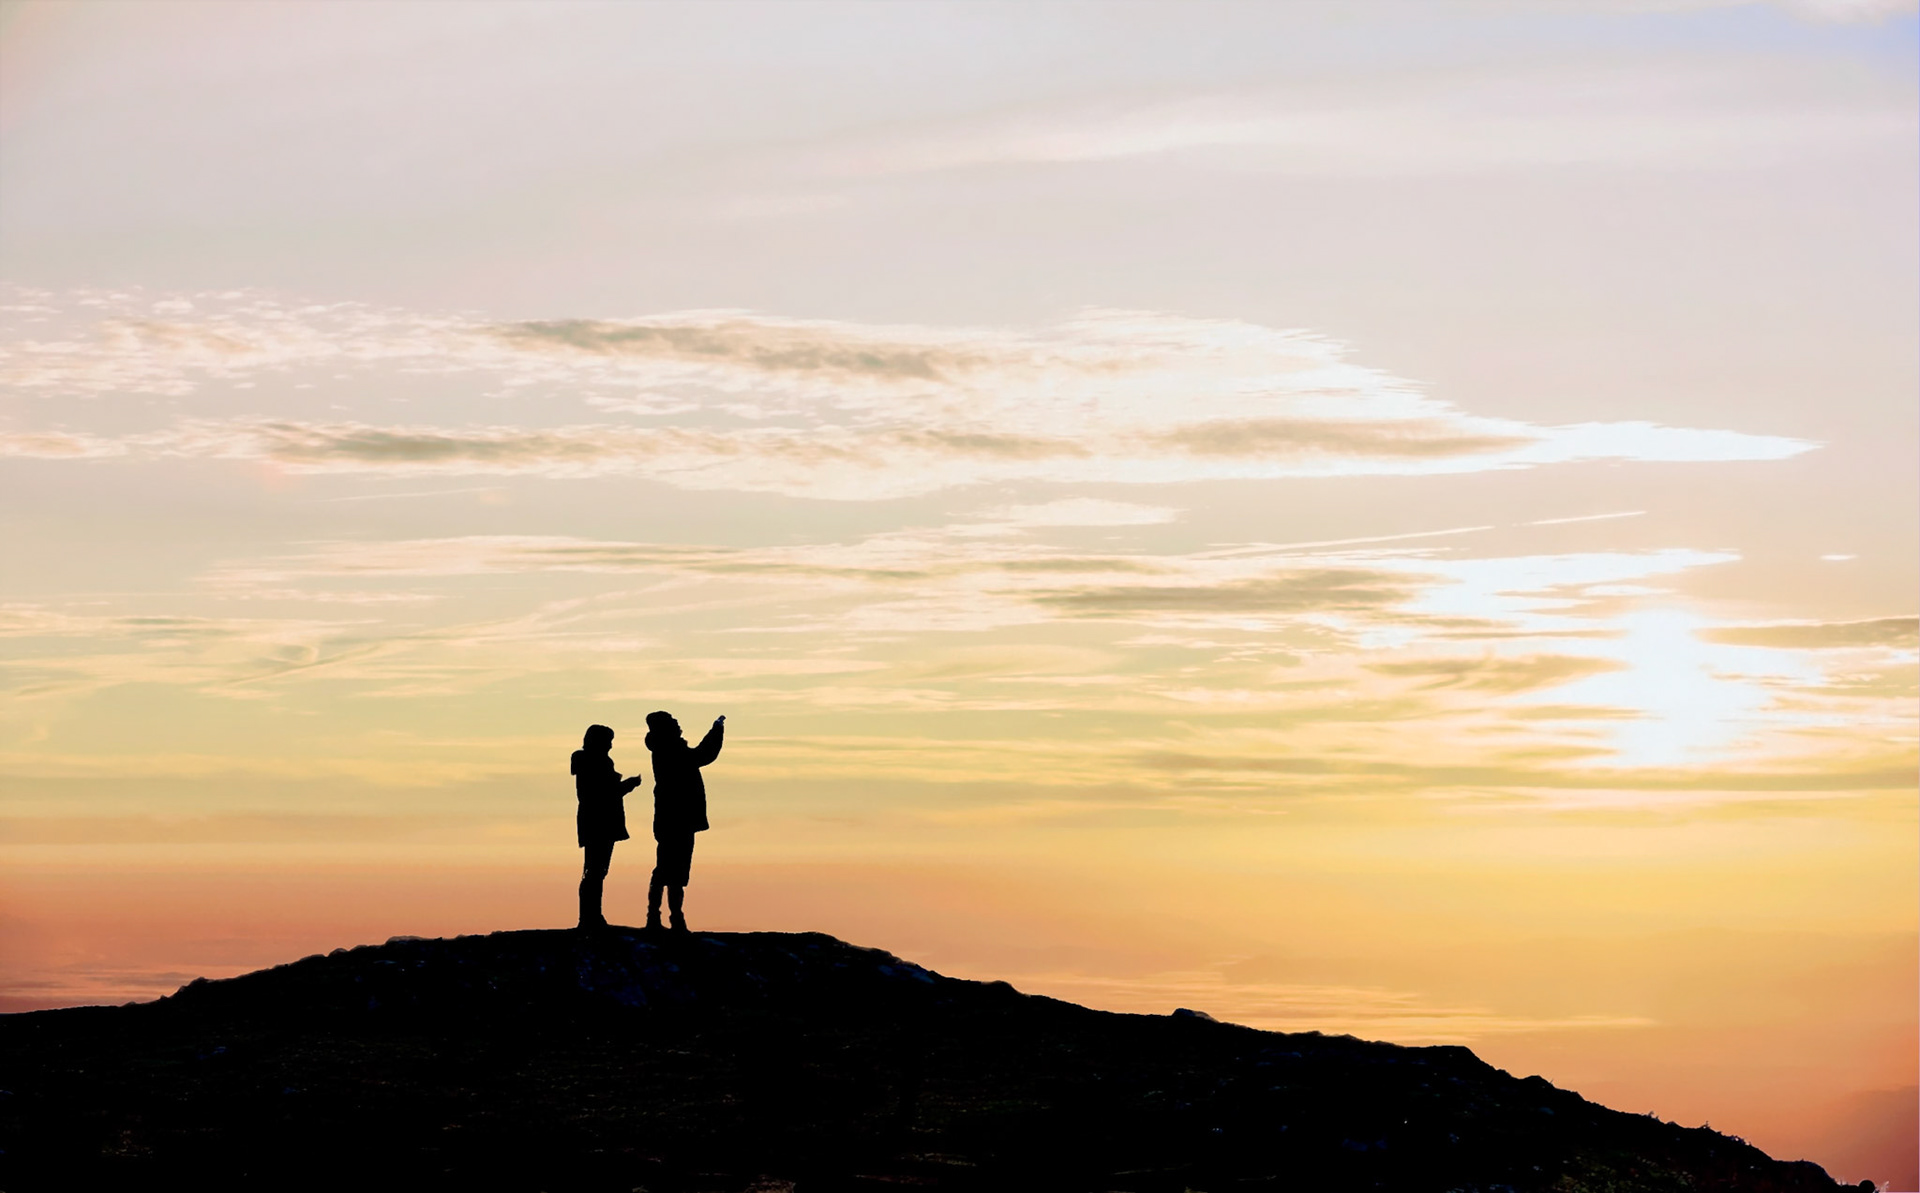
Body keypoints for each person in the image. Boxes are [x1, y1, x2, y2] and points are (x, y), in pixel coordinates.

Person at [642, 710, 724, 932]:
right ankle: (667, 918)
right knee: (671, 869)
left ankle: (666, 917)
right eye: (672, 722)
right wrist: (716, 731)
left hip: (673, 817)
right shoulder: (669, 749)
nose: (677, 723)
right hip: (676, 818)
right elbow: (703, 755)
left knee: (673, 868)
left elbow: (700, 755)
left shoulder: (665, 748)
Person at [570, 723, 644, 930]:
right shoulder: (596, 761)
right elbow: (606, 792)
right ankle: (590, 917)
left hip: (593, 820)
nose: (610, 746)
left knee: (595, 870)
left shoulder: (585, 760)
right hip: (600, 821)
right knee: (595, 871)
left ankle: (591, 916)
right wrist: (629, 784)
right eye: (608, 741)